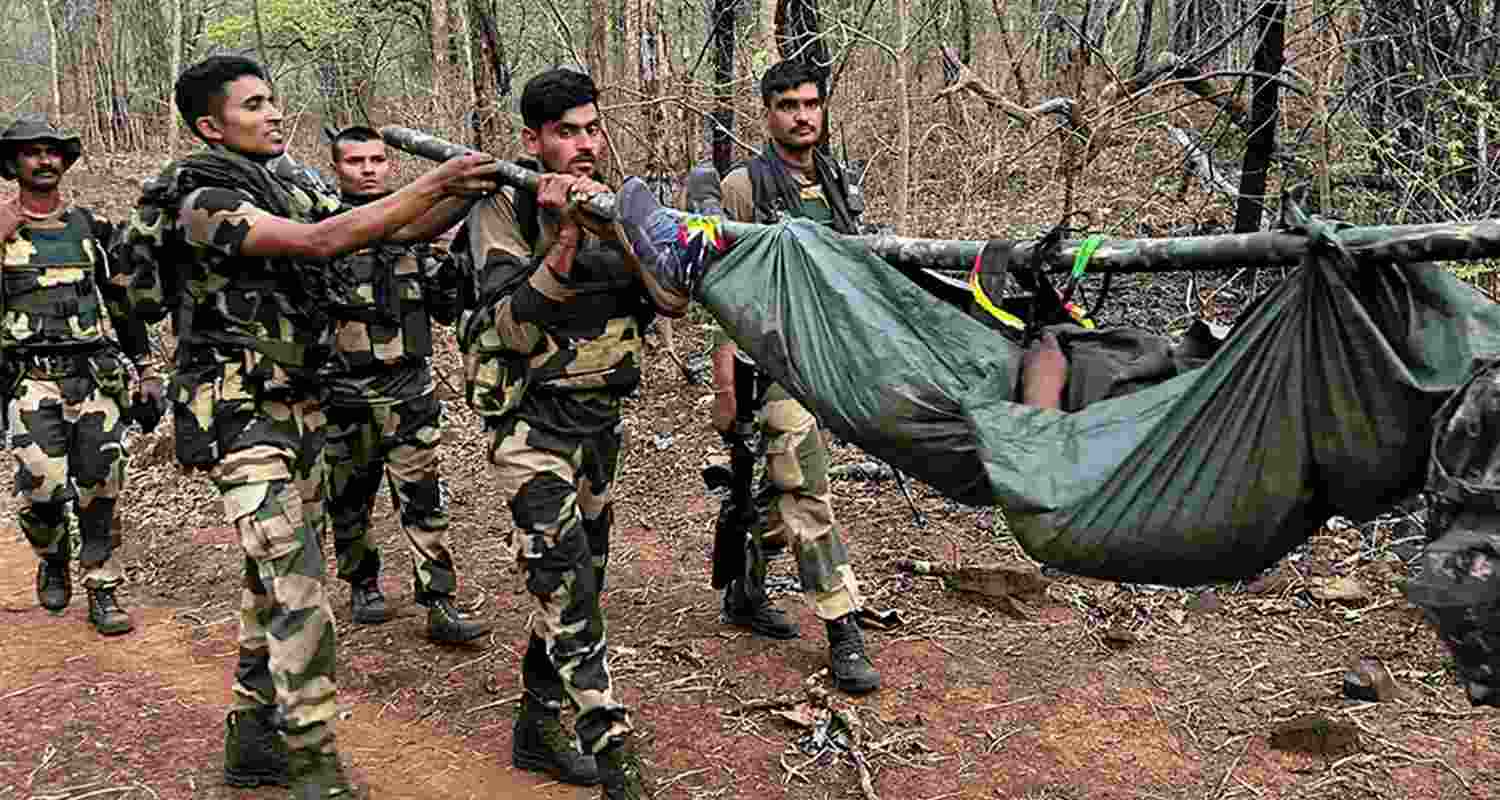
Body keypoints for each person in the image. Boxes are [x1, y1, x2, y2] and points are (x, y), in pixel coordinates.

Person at [118, 55, 498, 796]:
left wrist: (467, 191)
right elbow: (319, 243)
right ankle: (314, 765)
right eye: (254, 105)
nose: (274, 113)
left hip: (302, 407)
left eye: (272, 100)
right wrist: (435, 181)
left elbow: (386, 232)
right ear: (211, 126)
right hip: (237, 414)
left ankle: (251, 739)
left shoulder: (287, 184)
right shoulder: (202, 197)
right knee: (297, 585)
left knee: (271, 583)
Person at [461, 68, 687, 799]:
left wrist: (623, 229)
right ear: (534, 140)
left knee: (577, 579)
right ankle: (615, 756)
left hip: (599, 424)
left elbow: (670, 300)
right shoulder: (503, 206)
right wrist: (562, 236)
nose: (585, 144)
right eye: (567, 133)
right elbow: (508, 327)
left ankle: (537, 721)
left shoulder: (618, 203)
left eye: (592, 129)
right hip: (531, 425)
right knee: (568, 588)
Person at [698, 60, 882, 695]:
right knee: (804, 486)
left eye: (811, 103)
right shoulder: (742, 187)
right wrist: (724, 383)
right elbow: (720, 291)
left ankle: (745, 586)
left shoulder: (837, 181)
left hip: (829, 362)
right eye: (788, 105)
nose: (803, 116)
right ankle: (843, 628)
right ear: (768, 114)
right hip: (768, 364)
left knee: (778, 490)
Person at [319, 126, 488, 644]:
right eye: (355, 161)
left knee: (423, 499)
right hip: (343, 395)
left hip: (410, 391)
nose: (368, 170)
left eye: (377, 160)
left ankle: (439, 601)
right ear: (336, 167)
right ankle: (362, 583)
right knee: (349, 499)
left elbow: (445, 305)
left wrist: (453, 262)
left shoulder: (416, 229)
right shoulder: (322, 230)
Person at [0, 115, 160, 636]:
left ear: (64, 162)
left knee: (101, 486)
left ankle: (103, 587)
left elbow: (123, 304)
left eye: (52, 151)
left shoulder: (92, 228)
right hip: (29, 379)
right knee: (42, 487)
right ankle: (53, 555)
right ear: (13, 164)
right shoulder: (2, 228)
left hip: (93, 376)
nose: (44, 160)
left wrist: (146, 370)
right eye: (32, 152)